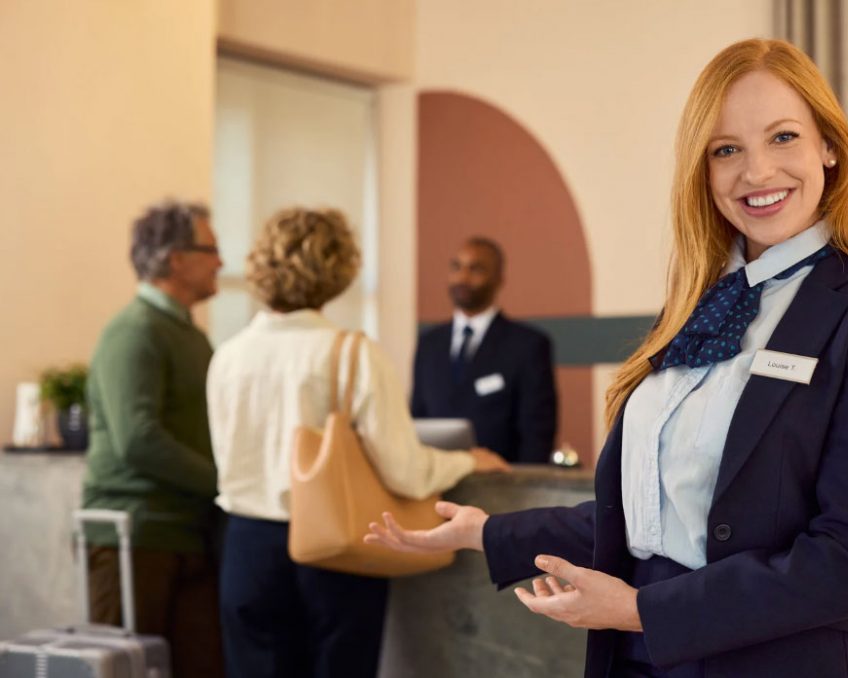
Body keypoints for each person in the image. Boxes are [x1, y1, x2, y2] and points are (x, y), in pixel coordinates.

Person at [366, 38, 848, 678]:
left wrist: (643, 610)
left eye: (782, 138)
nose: (757, 172)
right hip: (644, 658)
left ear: (828, 147)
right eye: (726, 150)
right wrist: (484, 532)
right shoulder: (696, 308)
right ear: (702, 170)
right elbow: (649, 515)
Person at [207, 207, 509, 678]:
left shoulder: (227, 355)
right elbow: (404, 471)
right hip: (334, 546)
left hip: (245, 548)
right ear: (338, 270)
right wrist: (465, 462)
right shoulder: (353, 354)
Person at [81, 200, 225, 678]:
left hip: (186, 530)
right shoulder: (134, 331)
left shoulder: (188, 335)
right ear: (176, 259)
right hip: (136, 532)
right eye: (211, 248)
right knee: (127, 670)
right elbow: (138, 440)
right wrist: (224, 483)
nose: (221, 261)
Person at [411, 237, 558, 463]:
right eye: (456, 267)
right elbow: (417, 420)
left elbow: (537, 433)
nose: (463, 277)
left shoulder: (528, 345)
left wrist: (527, 490)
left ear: (499, 279)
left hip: (502, 486)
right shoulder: (429, 343)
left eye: (476, 269)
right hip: (435, 482)